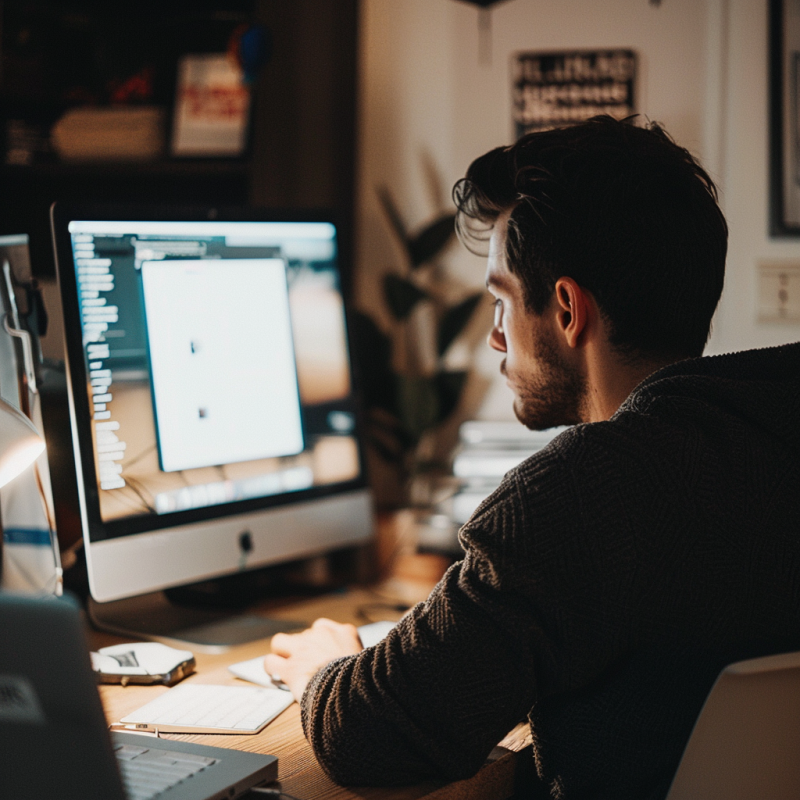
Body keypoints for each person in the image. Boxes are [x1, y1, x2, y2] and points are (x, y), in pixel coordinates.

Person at [265, 116, 800, 800]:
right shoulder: (771, 430)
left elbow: (369, 736)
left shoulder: (588, 494)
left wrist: (328, 668)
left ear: (568, 310)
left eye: (502, 300)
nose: (494, 337)